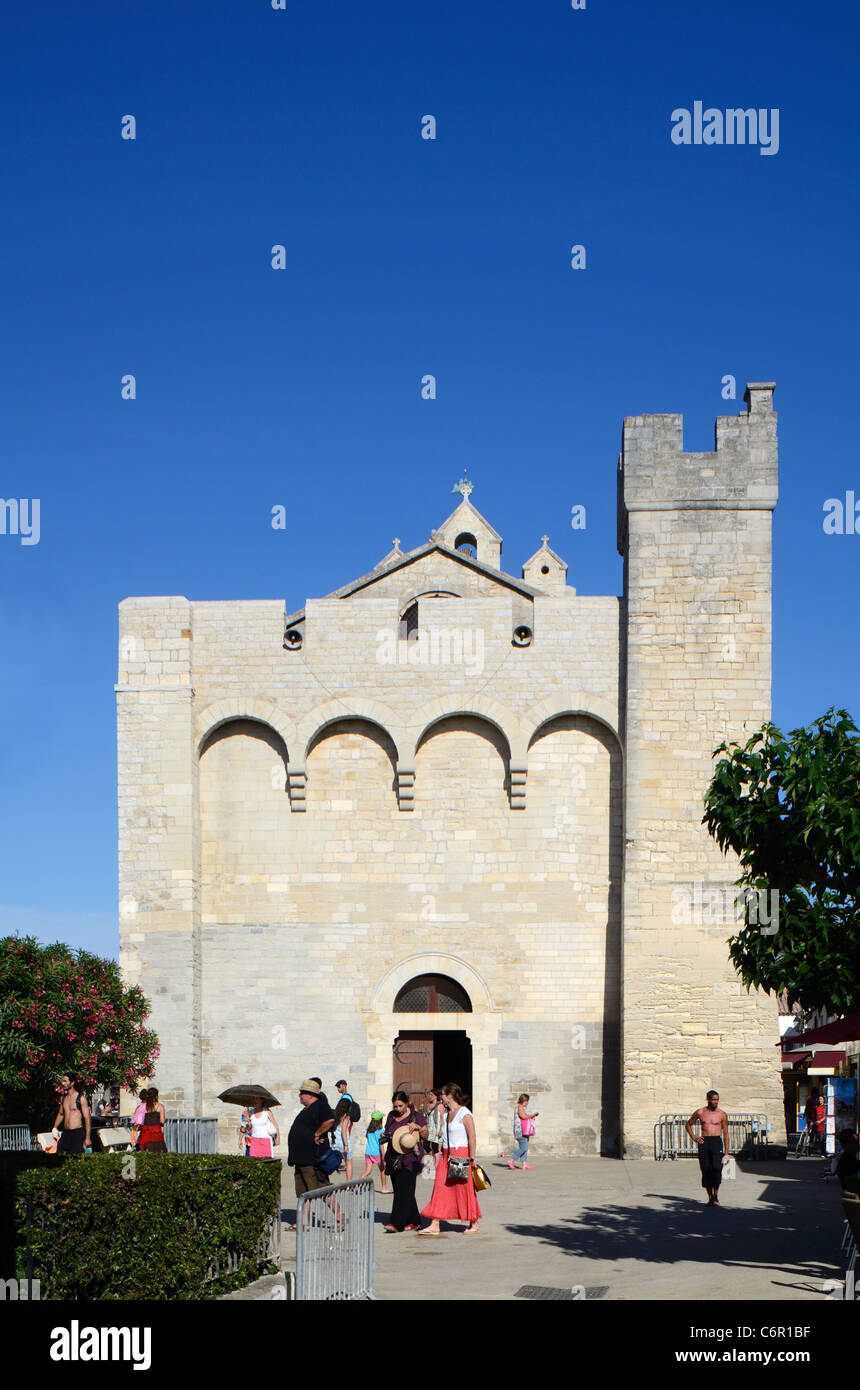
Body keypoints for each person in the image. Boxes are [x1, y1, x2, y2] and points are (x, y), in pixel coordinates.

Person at [420, 1083, 481, 1234]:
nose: (441, 1097)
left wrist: (472, 1158)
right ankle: (435, 1224)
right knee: (439, 1187)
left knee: (464, 1189)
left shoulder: (464, 1113)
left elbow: (472, 1136)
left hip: (461, 1154)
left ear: (450, 1096)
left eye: (442, 1094)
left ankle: (473, 1222)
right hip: (446, 1155)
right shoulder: (446, 1115)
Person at [381, 1090, 428, 1232]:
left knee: (403, 1191)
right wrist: (385, 1135)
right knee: (403, 1190)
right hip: (393, 1157)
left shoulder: (417, 1116)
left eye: (400, 1106)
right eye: (395, 1106)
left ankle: (396, 1223)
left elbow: (426, 1135)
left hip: (410, 1159)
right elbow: (388, 1130)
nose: (398, 1109)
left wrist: (419, 1128)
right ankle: (414, 1220)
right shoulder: (391, 1116)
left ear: (407, 1103)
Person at [286, 1079, 336, 1202]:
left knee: (321, 1189)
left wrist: (318, 1133)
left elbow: (330, 1120)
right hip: (300, 1159)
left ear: (310, 1094)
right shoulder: (307, 1108)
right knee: (303, 1193)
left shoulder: (320, 1105)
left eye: (302, 1092)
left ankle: (339, 1216)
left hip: (312, 1159)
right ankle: (303, 1220)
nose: (300, 1095)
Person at [685, 1089, 730, 1206]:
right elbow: (688, 1124)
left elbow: (726, 1134)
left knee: (717, 1169)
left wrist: (726, 1153)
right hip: (704, 1142)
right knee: (705, 1170)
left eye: (717, 1100)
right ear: (708, 1100)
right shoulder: (700, 1112)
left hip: (716, 1142)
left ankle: (716, 1196)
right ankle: (710, 1198)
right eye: (714, 1100)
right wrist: (695, 1138)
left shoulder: (722, 1114)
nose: (716, 1102)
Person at [52, 1074, 92, 1155]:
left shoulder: (81, 1098)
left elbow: (87, 1119)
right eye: (62, 1081)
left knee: (76, 1158)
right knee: (59, 1154)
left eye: (65, 1081)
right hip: (66, 1133)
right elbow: (61, 1114)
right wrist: (54, 1127)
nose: (63, 1083)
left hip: (77, 1133)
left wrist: (87, 1137)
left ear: (72, 1083)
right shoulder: (63, 1098)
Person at [359, 1111, 388, 1193]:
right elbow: (381, 1144)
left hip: (368, 1153)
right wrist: (383, 1154)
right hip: (377, 1153)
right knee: (383, 1170)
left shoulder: (369, 1131)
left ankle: (356, 1186)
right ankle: (384, 1188)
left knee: (367, 1171)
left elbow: (369, 1140)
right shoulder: (380, 1131)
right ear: (380, 1120)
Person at [509, 1093, 538, 1170]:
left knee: (525, 1146)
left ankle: (524, 1164)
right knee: (523, 1148)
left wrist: (531, 1116)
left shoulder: (519, 1107)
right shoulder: (520, 1107)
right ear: (524, 1100)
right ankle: (511, 1160)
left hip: (522, 1130)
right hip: (520, 1130)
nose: (528, 1103)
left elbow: (523, 1116)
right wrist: (532, 1115)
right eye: (527, 1101)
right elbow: (523, 1116)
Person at [138, 1087, 167, 1152]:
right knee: (158, 1152)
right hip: (156, 1132)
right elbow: (162, 1122)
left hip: (145, 1132)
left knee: (145, 1153)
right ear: (156, 1095)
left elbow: (140, 1120)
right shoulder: (160, 1106)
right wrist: (162, 1133)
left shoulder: (143, 1106)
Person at [331, 1097, 353, 1180]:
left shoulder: (335, 1115)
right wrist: (346, 1145)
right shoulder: (346, 1117)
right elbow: (343, 1132)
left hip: (335, 1143)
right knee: (349, 1163)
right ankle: (348, 1184)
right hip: (344, 1143)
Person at [425, 1089, 445, 1173]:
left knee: (435, 1148)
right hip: (429, 1129)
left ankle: (436, 1167)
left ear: (436, 1096)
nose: (430, 1096)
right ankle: (432, 1163)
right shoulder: (428, 1105)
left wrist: (441, 1130)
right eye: (429, 1094)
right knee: (426, 1146)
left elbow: (442, 1119)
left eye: (431, 1094)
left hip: (436, 1129)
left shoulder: (440, 1106)